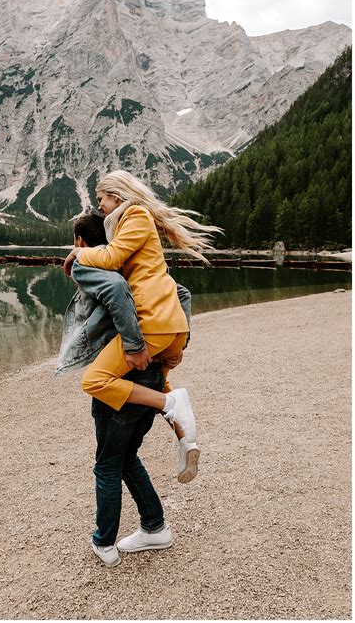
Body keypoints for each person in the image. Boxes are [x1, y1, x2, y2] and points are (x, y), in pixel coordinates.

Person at [57, 212, 198, 566]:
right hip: (150, 370)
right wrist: (177, 345)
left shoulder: (92, 265)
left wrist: (134, 346)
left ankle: (104, 542)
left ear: (79, 241)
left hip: (126, 375)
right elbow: (181, 291)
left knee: (107, 463)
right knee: (126, 457)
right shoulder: (132, 264)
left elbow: (116, 293)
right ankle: (155, 527)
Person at [63, 171, 221, 445]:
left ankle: (169, 404)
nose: (99, 205)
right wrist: (181, 343)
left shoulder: (135, 215)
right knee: (156, 378)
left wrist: (79, 252)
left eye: (101, 198)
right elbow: (180, 290)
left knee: (94, 380)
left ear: (116, 195)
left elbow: (112, 259)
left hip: (153, 321)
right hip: (170, 325)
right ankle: (187, 441)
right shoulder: (128, 225)